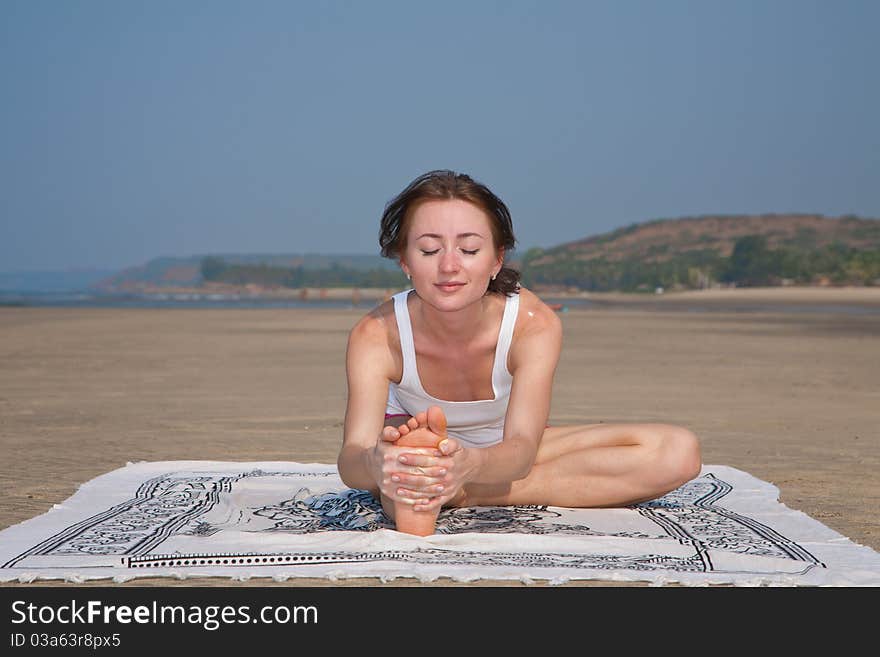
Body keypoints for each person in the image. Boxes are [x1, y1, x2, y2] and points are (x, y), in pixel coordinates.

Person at [337, 169, 701, 532]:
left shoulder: (533, 325)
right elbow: (350, 460)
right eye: (429, 249)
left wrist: (468, 470)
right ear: (405, 261)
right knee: (410, 481)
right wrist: (377, 463)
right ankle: (433, 482)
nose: (449, 266)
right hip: (421, 450)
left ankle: (465, 495)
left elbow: (523, 449)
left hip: (506, 451)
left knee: (677, 452)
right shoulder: (377, 335)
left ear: (497, 259)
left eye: (469, 249)